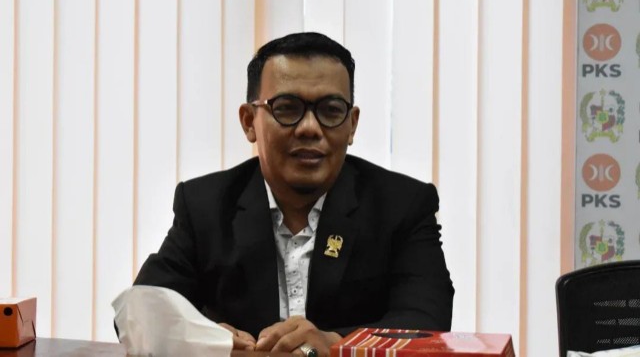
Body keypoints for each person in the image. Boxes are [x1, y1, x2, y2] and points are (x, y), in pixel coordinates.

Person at [133, 32, 454, 357]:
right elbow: (143, 310)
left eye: (331, 110)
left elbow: (427, 322)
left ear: (352, 125)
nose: (309, 128)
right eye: (287, 109)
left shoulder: (402, 205)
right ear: (249, 122)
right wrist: (202, 337)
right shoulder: (205, 205)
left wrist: (336, 345)